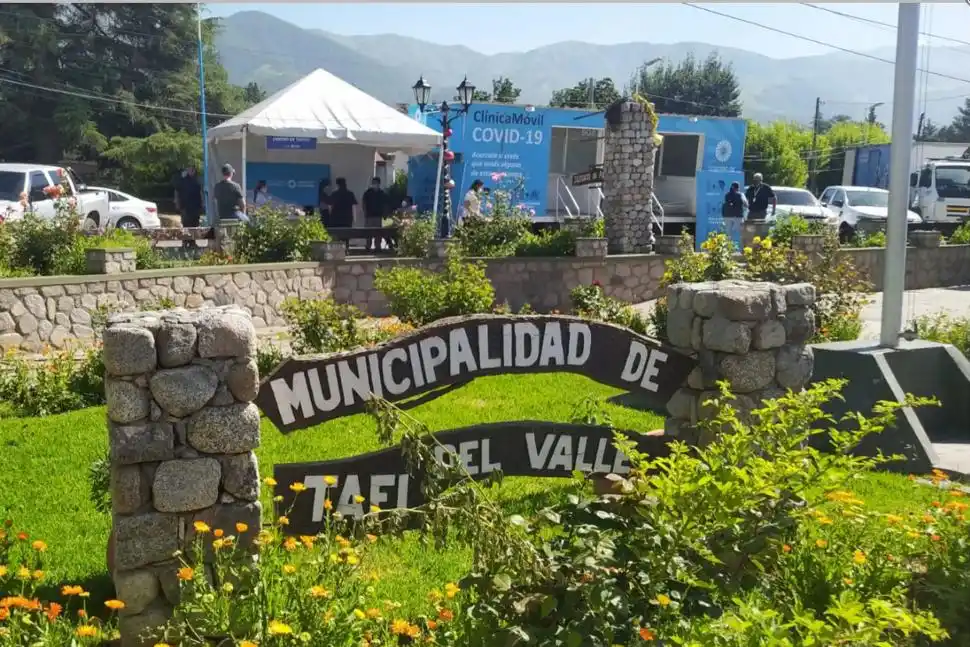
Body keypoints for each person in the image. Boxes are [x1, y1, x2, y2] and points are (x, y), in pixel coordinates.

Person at [174, 166, 203, 248]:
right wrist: (178, 204)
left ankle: (192, 242)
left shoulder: (195, 181)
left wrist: (200, 206)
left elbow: (199, 195)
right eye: (189, 170)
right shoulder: (183, 181)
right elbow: (177, 191)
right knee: (187, 225)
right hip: (186, 207)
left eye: (191, 170)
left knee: (193, 225)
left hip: (193, 207)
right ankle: (185, 242)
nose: (190, 171)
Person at [361, 176, 387, 251]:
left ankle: (377, 246)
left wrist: (384, 214)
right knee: (368, 233)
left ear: (379, 184)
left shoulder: (381, 193)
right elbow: (364, 203)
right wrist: (365, 212)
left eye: (376, 183)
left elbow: (385, 204)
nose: (375, 184)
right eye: (374, 183)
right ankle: (368, 246)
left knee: (378, 233)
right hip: (369, 216)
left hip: (378, 216)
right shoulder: (368, 193)